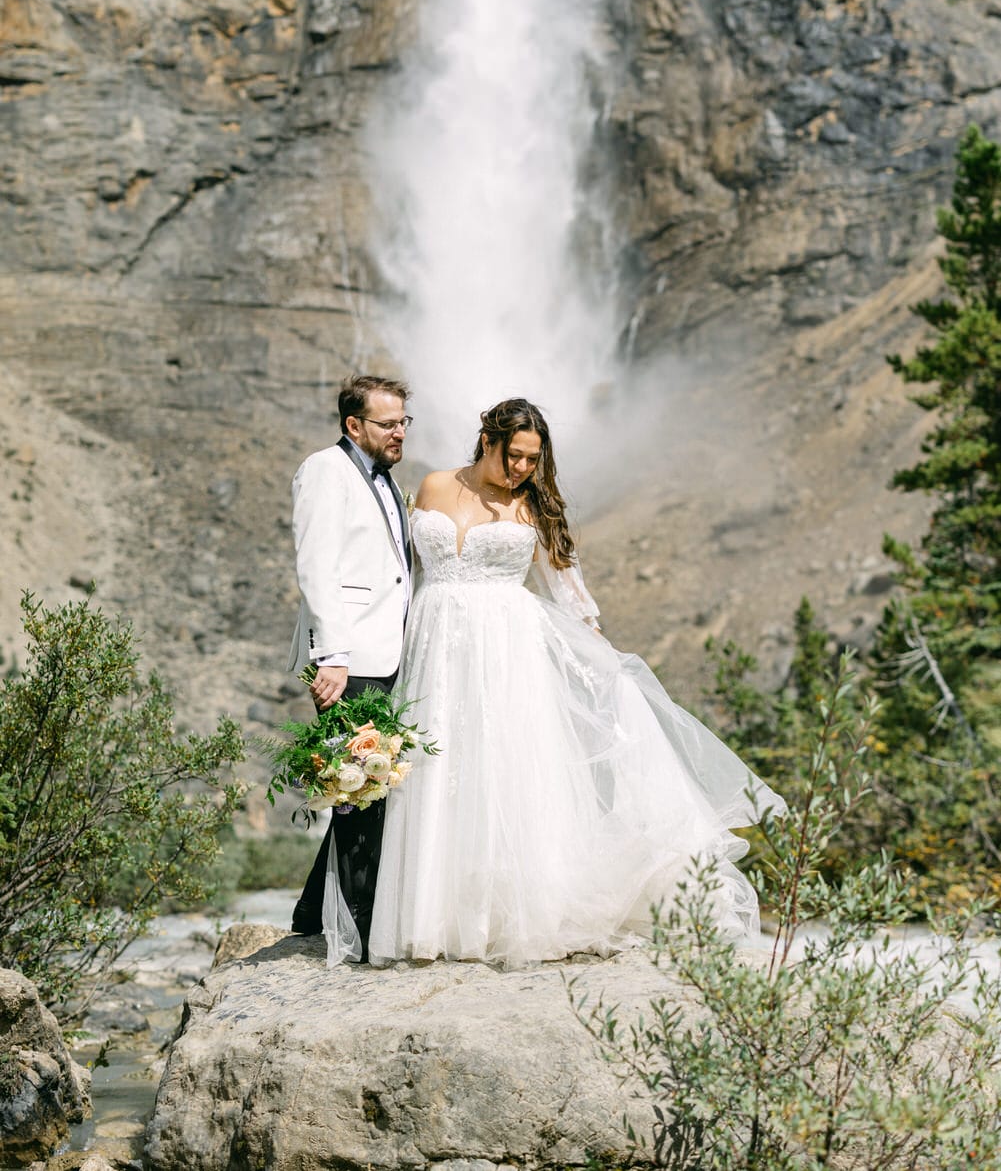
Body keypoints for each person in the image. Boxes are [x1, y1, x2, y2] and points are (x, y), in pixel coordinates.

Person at [366, 397, 786, 968]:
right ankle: (432, 921)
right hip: (435, 651)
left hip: (508, 656)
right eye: (514, 455)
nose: (522, 469)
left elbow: (569, 594)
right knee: (440, 771)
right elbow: (401, 572)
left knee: (503, 776)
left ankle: (498, 920)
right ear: (486, 439)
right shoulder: (434, 486)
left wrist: (604, 659)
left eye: (533, 459)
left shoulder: (535, 508)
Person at [287, 374, 413, 961]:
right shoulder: (324, 470)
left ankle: (312, 910)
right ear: (353, 425)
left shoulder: (387, 481)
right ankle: (358, 932)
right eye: (388, 423)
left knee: (371, 782)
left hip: (388, 652)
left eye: (404, 422)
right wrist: (330, 657)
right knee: (360, 791)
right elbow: (316, 567)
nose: (399, 432)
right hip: (349, 659)